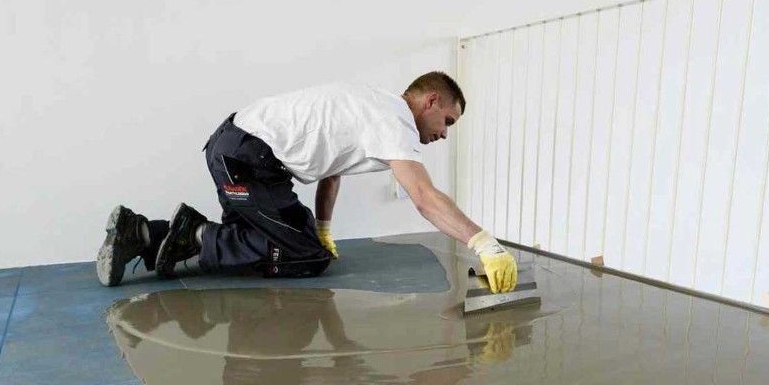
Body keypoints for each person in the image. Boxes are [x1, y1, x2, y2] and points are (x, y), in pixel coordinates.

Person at [96, 72, 518, 294]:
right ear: (431, 101)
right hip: (248, 157)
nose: (443, 133)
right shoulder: (395, 120)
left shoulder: (374, 106)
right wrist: (485, 244)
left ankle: (158, 235)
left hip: (243, 151)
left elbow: (332, 170)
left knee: (296, 241)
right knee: (305, 257)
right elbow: (423, 196)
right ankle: (170, 234)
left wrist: (323, 228)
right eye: (447, 121)